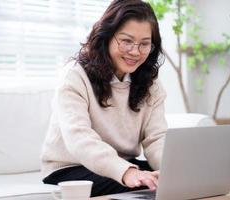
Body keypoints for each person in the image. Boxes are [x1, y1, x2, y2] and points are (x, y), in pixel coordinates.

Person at [41, 0, 167, 197]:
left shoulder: (151, 83)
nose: (135, 51)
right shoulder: (75, 76)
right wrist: (127, 172)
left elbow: (157, 138)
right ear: (107, 36)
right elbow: (79, 139)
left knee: (168, 178)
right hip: (71, 167)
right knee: (145, 183)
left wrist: (172, 169)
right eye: (126, 41)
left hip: (121, 165)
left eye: (144, 44)